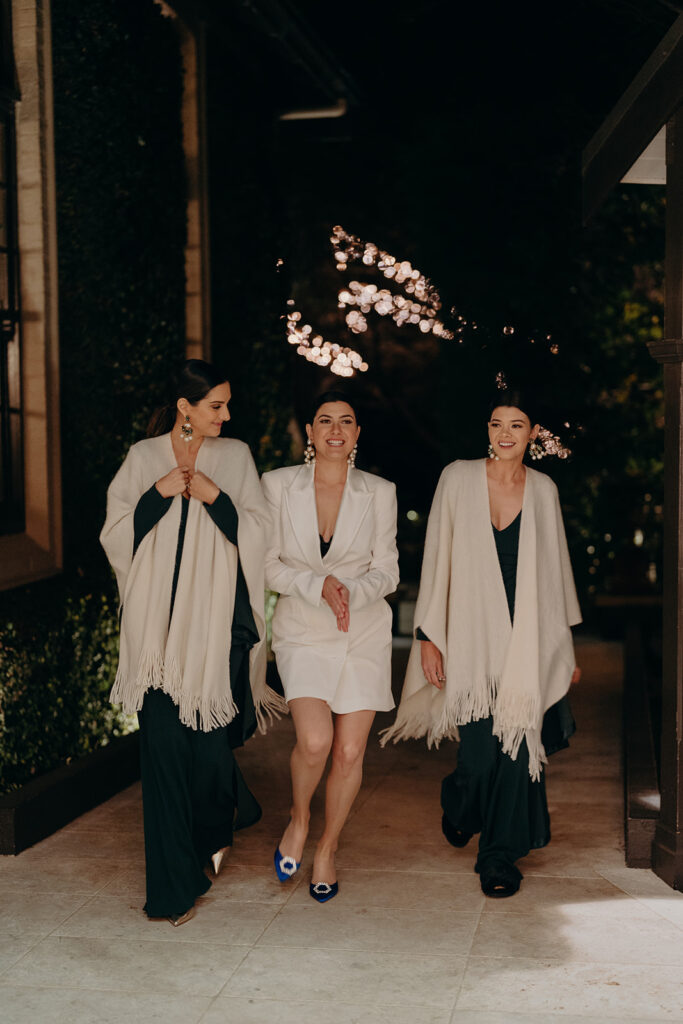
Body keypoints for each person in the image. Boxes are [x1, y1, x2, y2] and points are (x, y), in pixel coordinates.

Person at [100, 359, 283, 926]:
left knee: (207, 757)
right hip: (154, 638)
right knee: (162, 760)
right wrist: (157, 494)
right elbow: (115, 535)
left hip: (215, 634)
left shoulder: (236, 457)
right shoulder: (142, 458)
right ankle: (171, 890)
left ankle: (226, 811)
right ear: (185, 407)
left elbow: (260, 532)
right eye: (215, 406)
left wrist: (214, 497)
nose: (225, 415)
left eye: (226, 405)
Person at [382, 387, 581, 898]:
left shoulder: (544, 490)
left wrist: (564, 649)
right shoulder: (457, 478)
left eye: (516, 424)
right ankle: (460, 801)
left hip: (526, 642)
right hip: (470, 639)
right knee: (477, 760)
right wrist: (429, 636)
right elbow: (436, 559)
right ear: (487, 430)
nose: (505, 433)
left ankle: (497, 859)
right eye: (496, 423)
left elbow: (556, 575)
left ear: (532, 433)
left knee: (515, 750)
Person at [261, 391, 399, 902]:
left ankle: (327, 847)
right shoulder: (277, 485)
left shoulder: (379, 491)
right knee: (316, 741)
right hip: (301, 629)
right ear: (310, 432)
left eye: (346, 421)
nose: (335, 430)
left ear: (357, 433)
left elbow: (388, 569)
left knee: (349, 749)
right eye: (325, 420)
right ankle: (299, 818)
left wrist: (349, 592)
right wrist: (317, 586)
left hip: (363, 631)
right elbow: (267, 564)